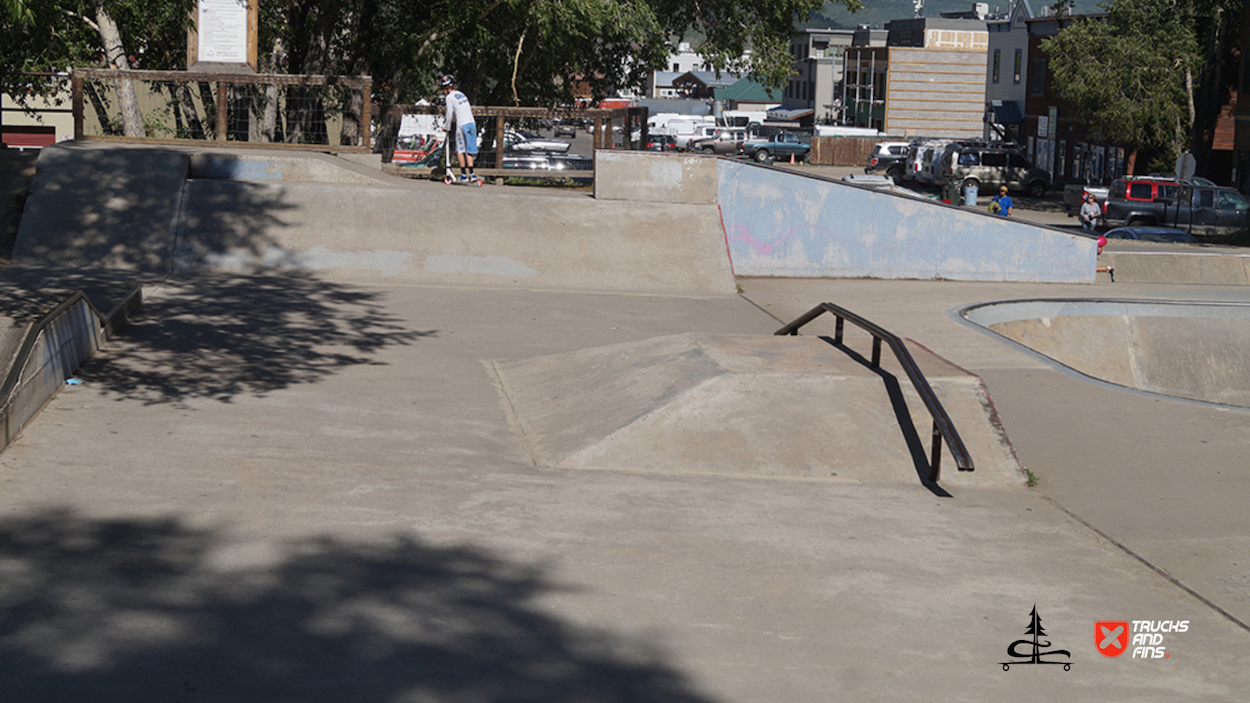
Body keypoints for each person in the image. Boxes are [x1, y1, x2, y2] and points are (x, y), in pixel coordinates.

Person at [440, 74, 479, 183]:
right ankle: (472, 174)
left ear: (447, 88)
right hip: (472, 123)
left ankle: (463, 175)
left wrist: (447, 127)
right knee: (469, 150)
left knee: (460, 150)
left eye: (444, 89)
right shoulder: (461, 94)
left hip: (462, 125)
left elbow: (449, 114)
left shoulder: (449, 98)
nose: (443, 91)